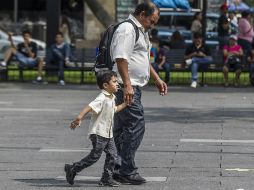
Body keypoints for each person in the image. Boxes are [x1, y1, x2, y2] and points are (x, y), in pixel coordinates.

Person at [110, 2, 168, 185]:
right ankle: (126, 169)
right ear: (142, 14)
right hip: (125, 86)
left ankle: (117, 167)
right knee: (136, 124)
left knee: (123, 129)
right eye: (152, 20)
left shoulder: (140, 30)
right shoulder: (127, 29)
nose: (153, 24)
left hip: (130, 86)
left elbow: (141, 58)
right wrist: (127, 85)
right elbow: (121, 58)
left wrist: (157, 79)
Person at [64, 70, 127, 187]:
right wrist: (79, 118)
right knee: (94, 156)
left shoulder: (111, 97)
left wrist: (125, 104)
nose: (117, 84)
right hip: (98, 133)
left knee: (113, 155)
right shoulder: (102, 97)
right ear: (105, 85)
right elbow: (89, 106)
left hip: (108, 134)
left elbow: (114, 110)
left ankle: (106, 179)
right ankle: (73, 168)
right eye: (114, 82)